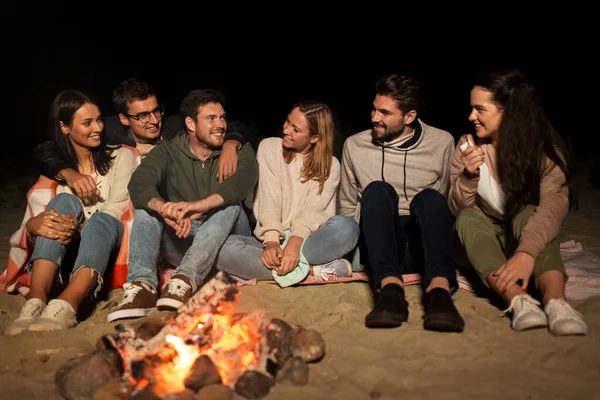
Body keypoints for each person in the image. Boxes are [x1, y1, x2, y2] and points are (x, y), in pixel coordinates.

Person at [450, 68, 587, 336]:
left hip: (521, 237)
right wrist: (468, 176)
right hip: (480, 241)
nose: (471, 117)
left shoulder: (544, 152)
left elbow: (553, 209)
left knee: (530, 213)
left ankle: (557, 303)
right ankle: (518, 300)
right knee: (469, 217)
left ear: (508, 112)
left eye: (480, 109)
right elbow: (457, 211)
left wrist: (526, 253)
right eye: (471, 108)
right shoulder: (468, 145)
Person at [106, 88, 258, 322]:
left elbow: (240, 185)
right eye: (211, 119)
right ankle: (142, 286)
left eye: (222, 118)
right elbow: (139, 182)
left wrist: (198, 206)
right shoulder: (167, 151)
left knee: (229, 205)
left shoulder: (240, 150)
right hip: (186, 233)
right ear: (190, 123)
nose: (221, 125)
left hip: (230, 233)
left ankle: (185, 278)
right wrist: (163, 207)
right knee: (148, 208)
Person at [5, 90, 139, 335]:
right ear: (65, 128)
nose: (97, 127)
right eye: (87, 123)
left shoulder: (122, 156)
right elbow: (39, 212)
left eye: (98, 120)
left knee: (102, 218)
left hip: (104, 249)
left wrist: (77, 230)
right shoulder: (57, 169)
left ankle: (66, 304)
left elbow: (117, 207)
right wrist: (34, 226)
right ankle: (35, 302)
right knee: (64, 200)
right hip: (61, 253)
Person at [339, 74, 465, 332]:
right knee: (376, 190)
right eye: (374, 109)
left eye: (384, 112)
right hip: (381, 243)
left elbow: (447, 202)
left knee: (431, 198)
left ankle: (439, 296)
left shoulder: (441, 143)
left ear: (409, 117)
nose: (374, 117)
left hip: (424, 245)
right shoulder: (355, 145)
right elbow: (348, 205)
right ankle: (390, 292)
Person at [32, 79, 252, 202]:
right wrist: (69, 173)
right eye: (142, 115)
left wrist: (231, 144)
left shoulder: (174, 126)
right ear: (123, 119)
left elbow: (230, 125)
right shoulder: (107, 129)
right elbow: (47, 148)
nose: (154, 120)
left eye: (156, 111)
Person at [216, 101, 359, 285]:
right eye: (287, 122)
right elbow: (269, 198)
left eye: (296, 129)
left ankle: (288, 266)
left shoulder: (331, 166)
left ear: (314, 138)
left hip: (308, 241)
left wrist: (295, 243)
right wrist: (272, 242)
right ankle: (312, 270)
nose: (286, 130)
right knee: (221, 248)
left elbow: (313, 210)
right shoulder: (270, 147)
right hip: (271, 241)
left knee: (347, 227)